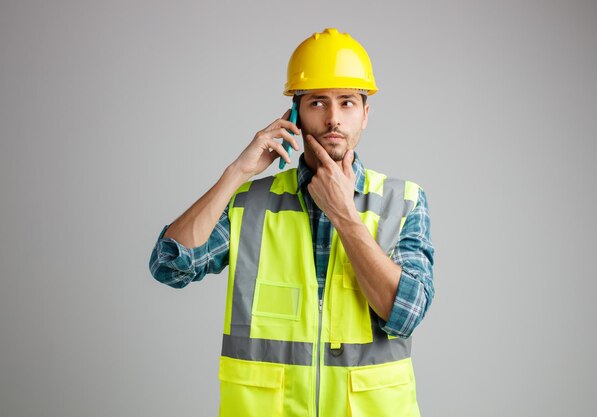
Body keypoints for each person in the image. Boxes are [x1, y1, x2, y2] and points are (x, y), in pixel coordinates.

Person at [149, 28, 435, 417]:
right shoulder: (250, 204)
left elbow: (405, 313)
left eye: (348, 102)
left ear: (366, 114)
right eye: (318, 102)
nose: (333, 118)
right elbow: (169, 265)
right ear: (295, 114)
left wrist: (343, 214)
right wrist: (237, 172)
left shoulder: (403, 202)